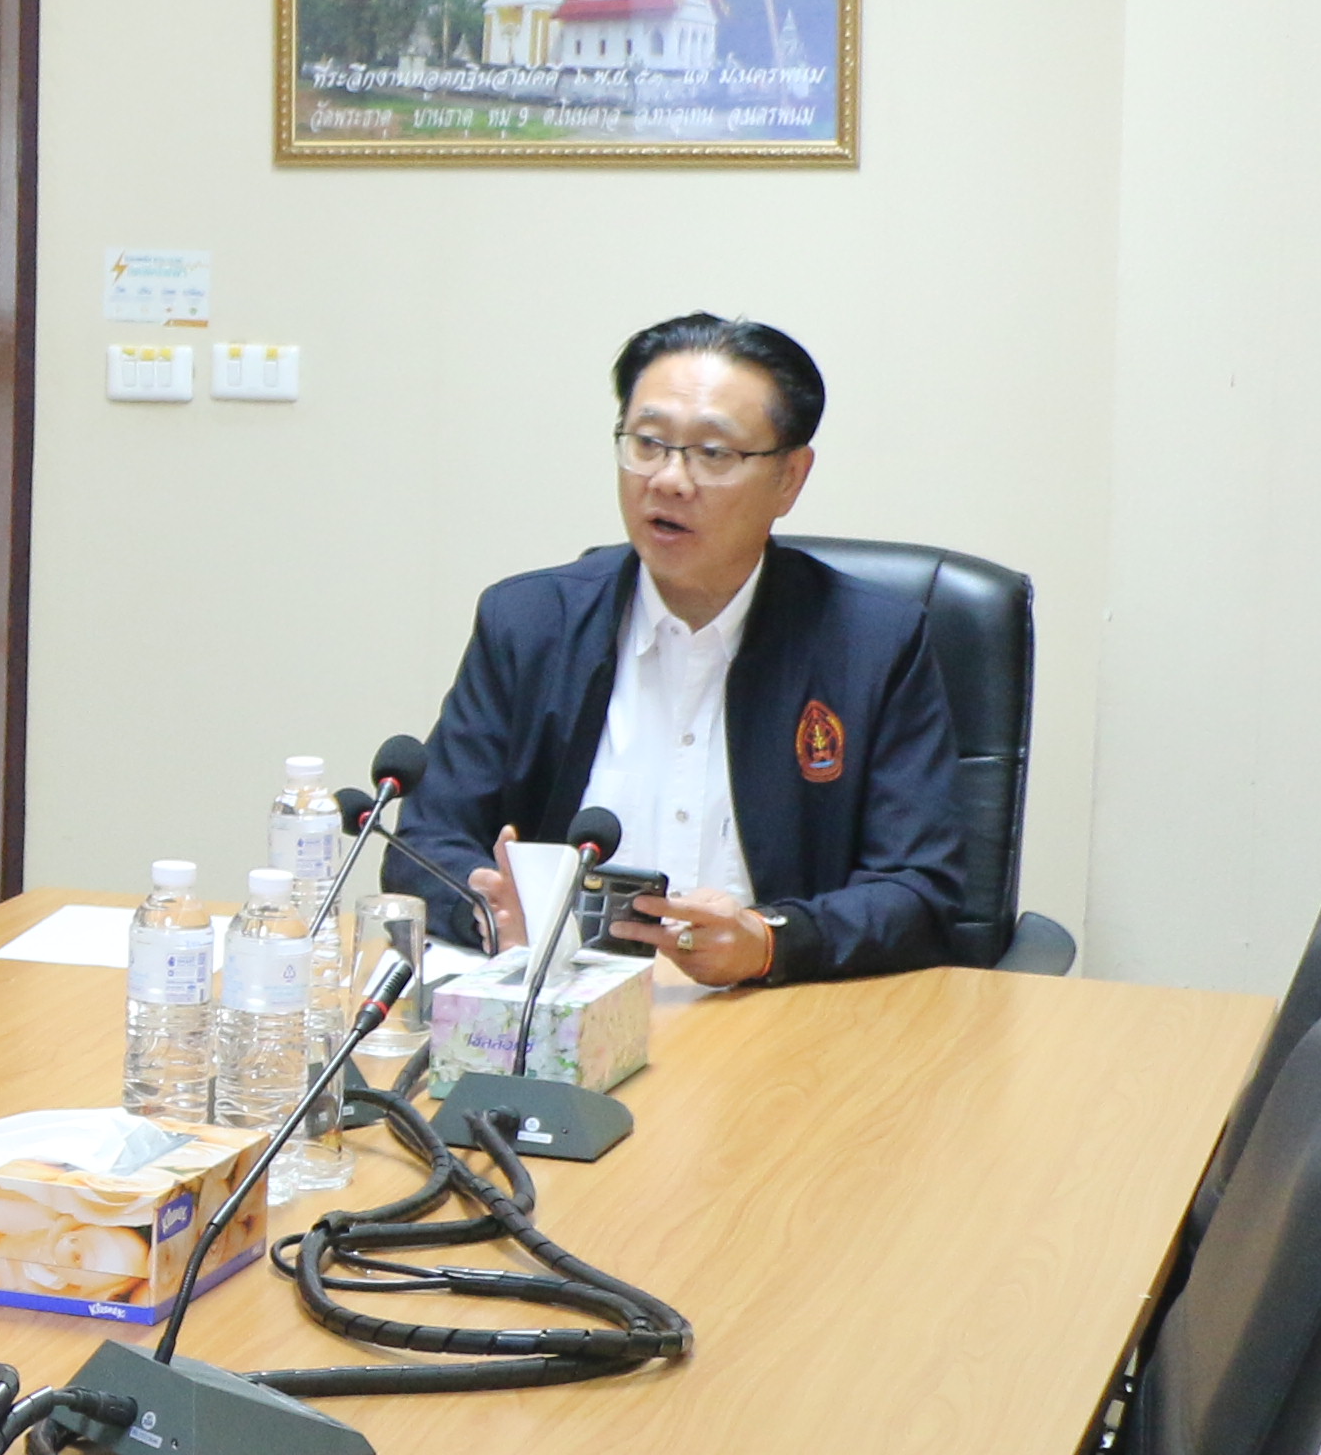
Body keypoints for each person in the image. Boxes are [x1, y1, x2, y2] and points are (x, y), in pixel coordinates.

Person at [413, 312, 965, 1000]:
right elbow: (427, 841)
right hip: (561, 1010)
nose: (670, 480)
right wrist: (490, 913)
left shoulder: (873, 643)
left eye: (713, 453)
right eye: (648, 443)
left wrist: (770, 941)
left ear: (790, 477)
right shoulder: (528, 624)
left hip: (776, 1013)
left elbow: (919, 890)